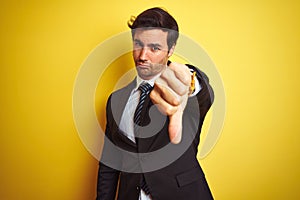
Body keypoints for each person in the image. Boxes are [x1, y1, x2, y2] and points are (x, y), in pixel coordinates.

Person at [96, 7, 214, 200]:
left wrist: (191, 83)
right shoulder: (115, 101)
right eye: (138, 44)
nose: (142, 56)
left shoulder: (182, 91)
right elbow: (110, 164)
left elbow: (202, 93)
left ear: (171, 49)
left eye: (155, 48)